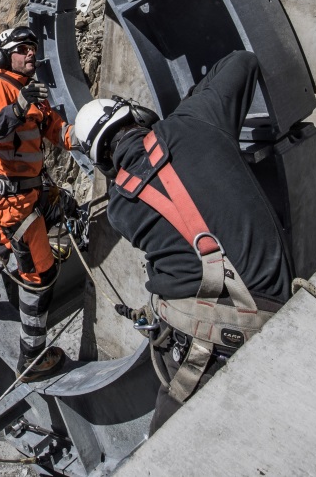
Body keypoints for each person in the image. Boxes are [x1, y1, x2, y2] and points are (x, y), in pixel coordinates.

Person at [73, 50, 292, 432]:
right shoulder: (198, 120)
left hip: (204, 337)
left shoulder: (121, 209)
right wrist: (195, 105)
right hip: (270, 305)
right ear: (136, 114)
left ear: (104, 163)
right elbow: (241, 61)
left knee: (168, 439)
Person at [0, 25, 82, 381]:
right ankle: (32, 358)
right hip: (14, 203)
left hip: (20, 197)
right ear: (4, 56)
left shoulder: (32, 94)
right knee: (39, 275)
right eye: (22, 48)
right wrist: (17, 107)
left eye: (33, 48)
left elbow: (55, 130)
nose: (31, 54)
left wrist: (89, 133)